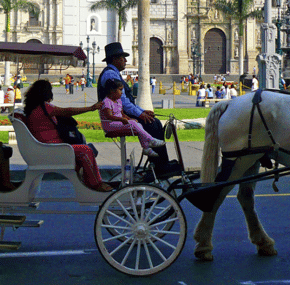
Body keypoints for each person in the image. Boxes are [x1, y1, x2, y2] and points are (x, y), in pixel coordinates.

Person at [97, 42, 176, 174]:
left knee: (152, 120)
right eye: (123, 58)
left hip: (120, 114)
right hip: (116, 117)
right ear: (115, 59)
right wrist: (140, 115)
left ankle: (160, 162)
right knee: (152, 123)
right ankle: (160, 166)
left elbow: (126, 102)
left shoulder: (112, 73)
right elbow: (123, 102)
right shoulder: (111, 75)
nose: (125, 61)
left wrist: (142, 112)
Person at [24, 80, 111, 192]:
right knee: (86, 150)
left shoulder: (34, 108)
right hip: (53, 148)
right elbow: (68, 111)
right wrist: (90, 108)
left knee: (84, 150)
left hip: (47, 147)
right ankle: (96, 183)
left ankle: (90, 182)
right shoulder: (44, 107)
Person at [100, 79, 165, 157]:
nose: (122, 93)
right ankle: (151, 140)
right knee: (134, 124)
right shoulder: (106, 102)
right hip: (109, 125)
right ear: (112, 91)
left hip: (118, 123)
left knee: (138, 124)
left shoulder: (118, 101)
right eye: (120, 90)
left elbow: (122, 114)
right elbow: (109, 116)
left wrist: (129, 119)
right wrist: (123, 120)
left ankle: (146, 147)